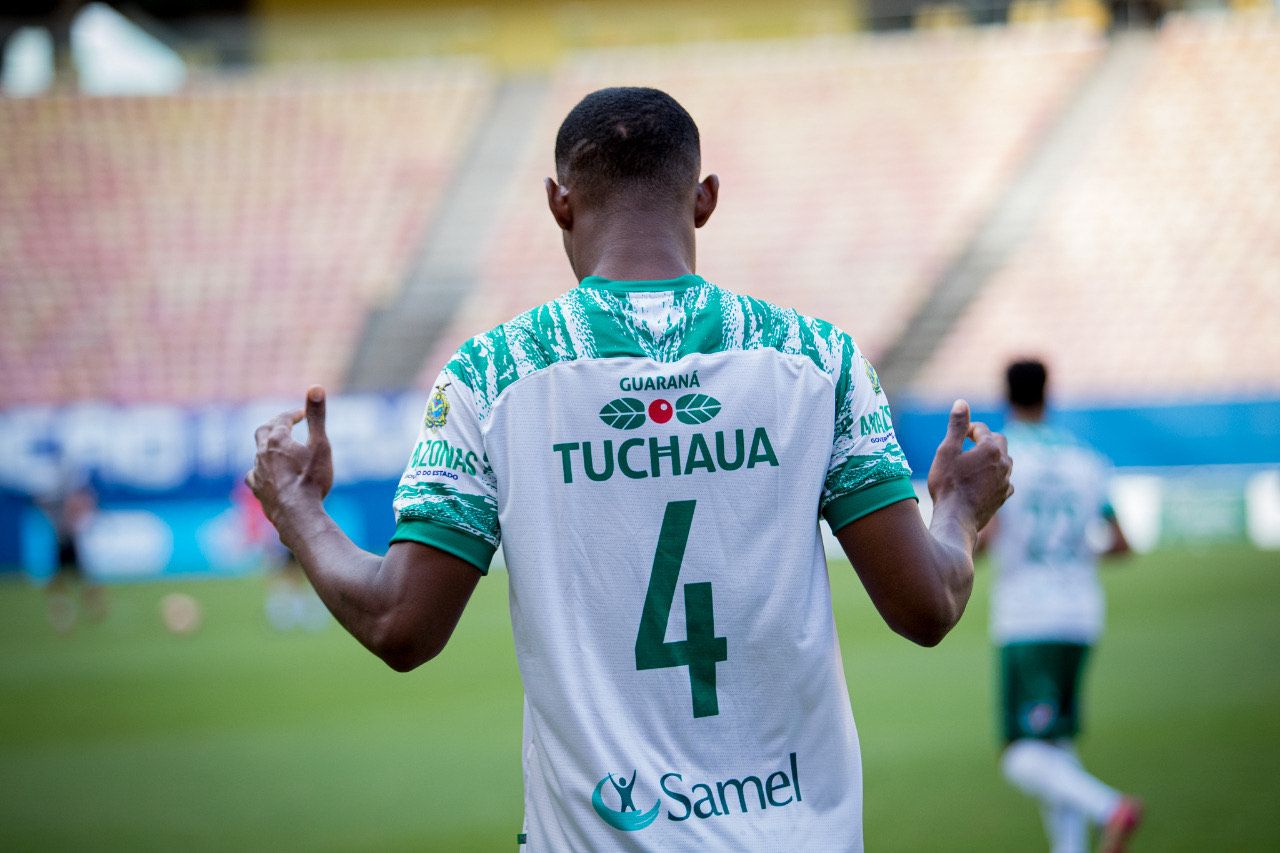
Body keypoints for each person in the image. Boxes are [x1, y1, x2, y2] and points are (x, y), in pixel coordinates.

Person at [246, 87, 1012, 850]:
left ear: (559, 202)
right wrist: (958, 507)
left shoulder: (490, 376)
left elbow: (399, 623)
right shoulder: (819, 360)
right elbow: (927, 605)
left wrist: (297, 507)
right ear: (705, 198)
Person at [982, 359, 1142, 853]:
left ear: (1005, 394)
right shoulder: (1084, 459)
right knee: (1057, 746)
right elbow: (1121, 543)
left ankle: (1110, 808)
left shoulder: (1000, 457)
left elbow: (987, 538)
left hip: (1027, 617)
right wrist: (1076, 554)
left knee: (1021, 755)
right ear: (1048, 393)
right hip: (1081, 614)